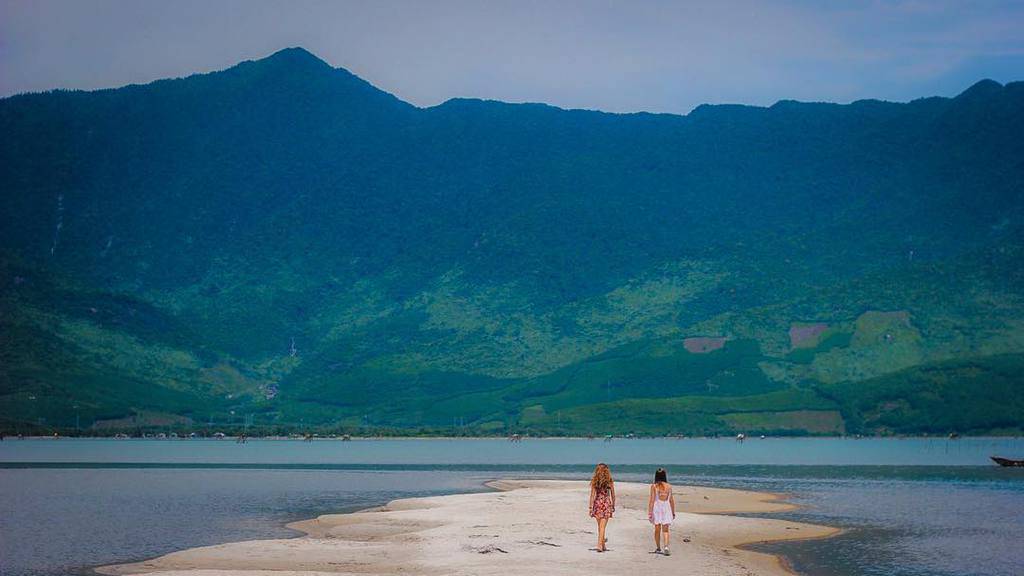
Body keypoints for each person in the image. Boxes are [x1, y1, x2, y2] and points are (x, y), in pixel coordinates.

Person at [647, 468, 676, 555]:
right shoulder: (669, 486)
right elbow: (671, 500)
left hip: (657, 508)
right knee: (666, 529)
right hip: (666, 508)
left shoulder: (654, 486)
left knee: (657, 529)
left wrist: (650, 512)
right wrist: (673, 512)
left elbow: (652, 500)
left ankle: (658, 547)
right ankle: (666, 546)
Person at [588, 462, 615, 552]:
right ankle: (600, 545)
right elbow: (613, 495)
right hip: (606, 503)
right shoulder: (609, 481)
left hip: (597, 503)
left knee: (600, 526)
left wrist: (590, 507)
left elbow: (592, 495)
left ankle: (602, 545)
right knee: (602, 526)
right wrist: (613, 505)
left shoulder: (595, 481)